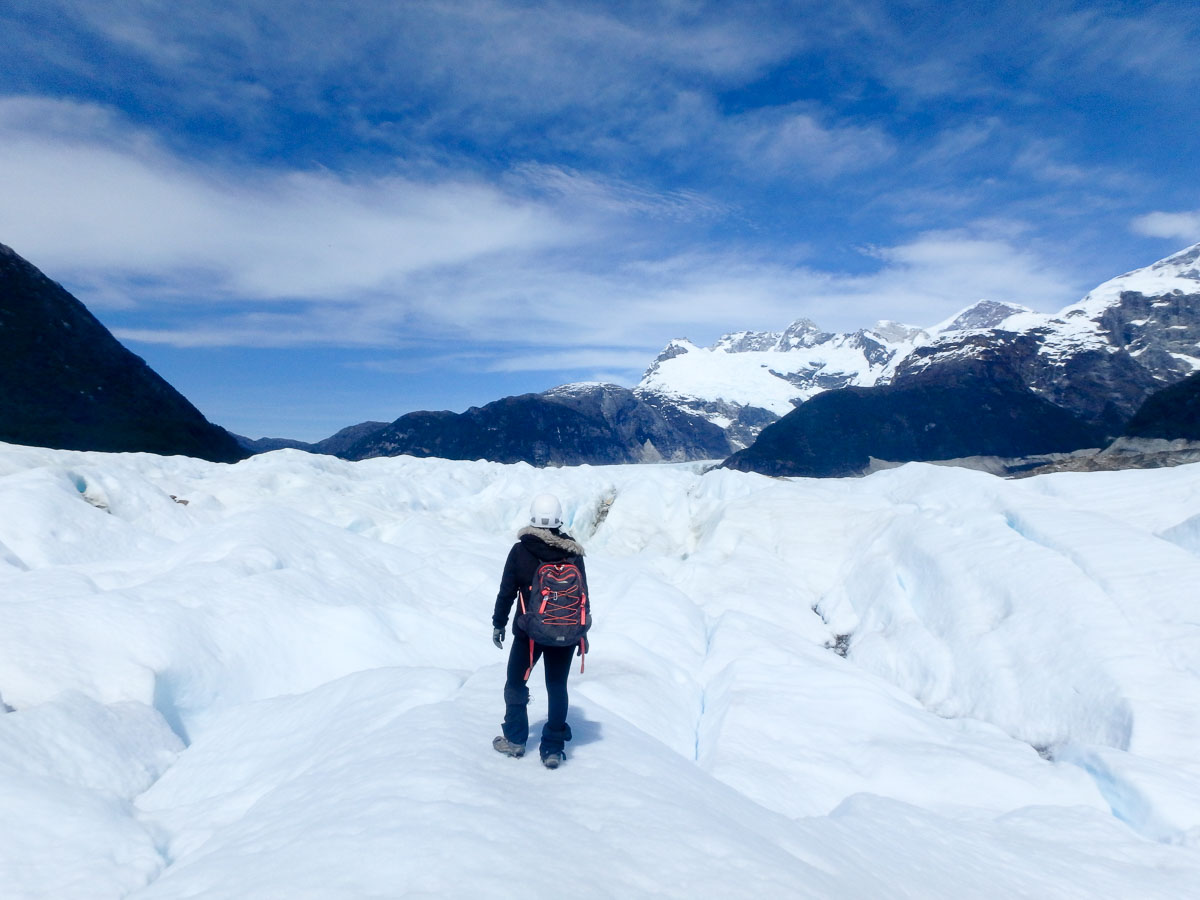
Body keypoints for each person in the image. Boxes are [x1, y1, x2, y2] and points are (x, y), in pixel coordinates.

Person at [492, 492, 588, 769]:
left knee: (516, 683)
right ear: (559, 519)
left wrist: (498, 623)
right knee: (557, 687)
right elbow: (582, 597)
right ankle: (553, 748)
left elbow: (507, 592)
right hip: (566, 634)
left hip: (529, 634)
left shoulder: (521, 551)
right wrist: (582, 633)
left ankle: (516, 740)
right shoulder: (573, 551)